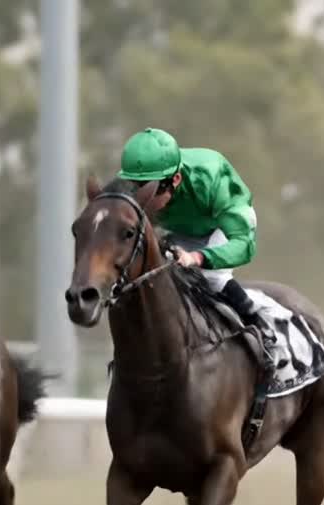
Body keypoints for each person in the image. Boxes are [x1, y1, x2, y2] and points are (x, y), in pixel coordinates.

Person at [116, 127, 278, 364]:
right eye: (135, 188)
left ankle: (260, 325)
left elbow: (244, 245)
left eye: (149, 191)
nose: (142, 200)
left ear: (176, 180)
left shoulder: (214, 179)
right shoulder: (149, 184)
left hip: (222, 227)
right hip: (179, 230)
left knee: (213, 276)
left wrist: (197, 258)